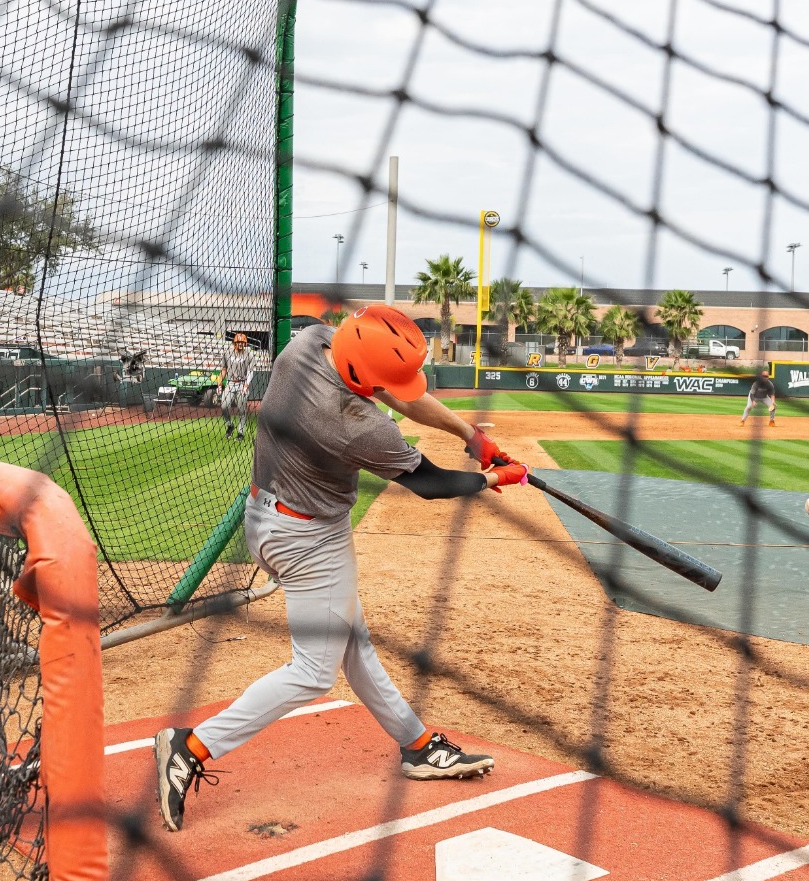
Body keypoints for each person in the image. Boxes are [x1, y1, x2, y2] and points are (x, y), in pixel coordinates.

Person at [152, 304, 532, 832]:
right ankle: (190, 748)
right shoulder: (354, 425)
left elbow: (406, 391)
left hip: (271, 516)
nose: (390, 393)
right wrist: (496, 478)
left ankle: (417, 745)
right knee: (313, 672)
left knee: (353, 642)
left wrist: (472, 437)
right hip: (308, 539)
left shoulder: (309, 343)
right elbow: (431, 484)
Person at [216, 331, 263, 439]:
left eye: (242, 342)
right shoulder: (227, 353)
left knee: (242, 409)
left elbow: (250, 372)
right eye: (238, 342)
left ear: (245, 343)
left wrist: (246, 385)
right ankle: (230, 425)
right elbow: (223, 370)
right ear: (234, 343)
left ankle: (240, 432)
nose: (240, 344)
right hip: (230, 383)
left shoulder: (249, 355)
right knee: (224, 406)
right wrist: (219, 384)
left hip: (242, 383)